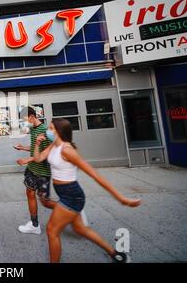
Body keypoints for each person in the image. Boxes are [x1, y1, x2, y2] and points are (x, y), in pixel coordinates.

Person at [33, 118, 141, 263]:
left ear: (59, 131)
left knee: (52, 230)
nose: (48, 131)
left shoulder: (68, 150)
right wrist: (37, 144)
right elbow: (38, 158)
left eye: (51, 128)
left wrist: (121, 198)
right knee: (80, 229)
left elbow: (94, 174)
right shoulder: (54, 145)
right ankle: (115, 254)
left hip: (72, 196)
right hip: (64, 193)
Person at [15, 107, 56, 235]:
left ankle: (72, 210)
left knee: (45, 201)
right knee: (29, 193)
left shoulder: (44, 131)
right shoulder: (33, 129)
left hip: (42, 172)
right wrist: (23, 148)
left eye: (25, 119)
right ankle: (34, 225)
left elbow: (46, 153)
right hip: (32, 170)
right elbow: (35, 149)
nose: (25, 122)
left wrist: (27, 160)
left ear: (32, 116)